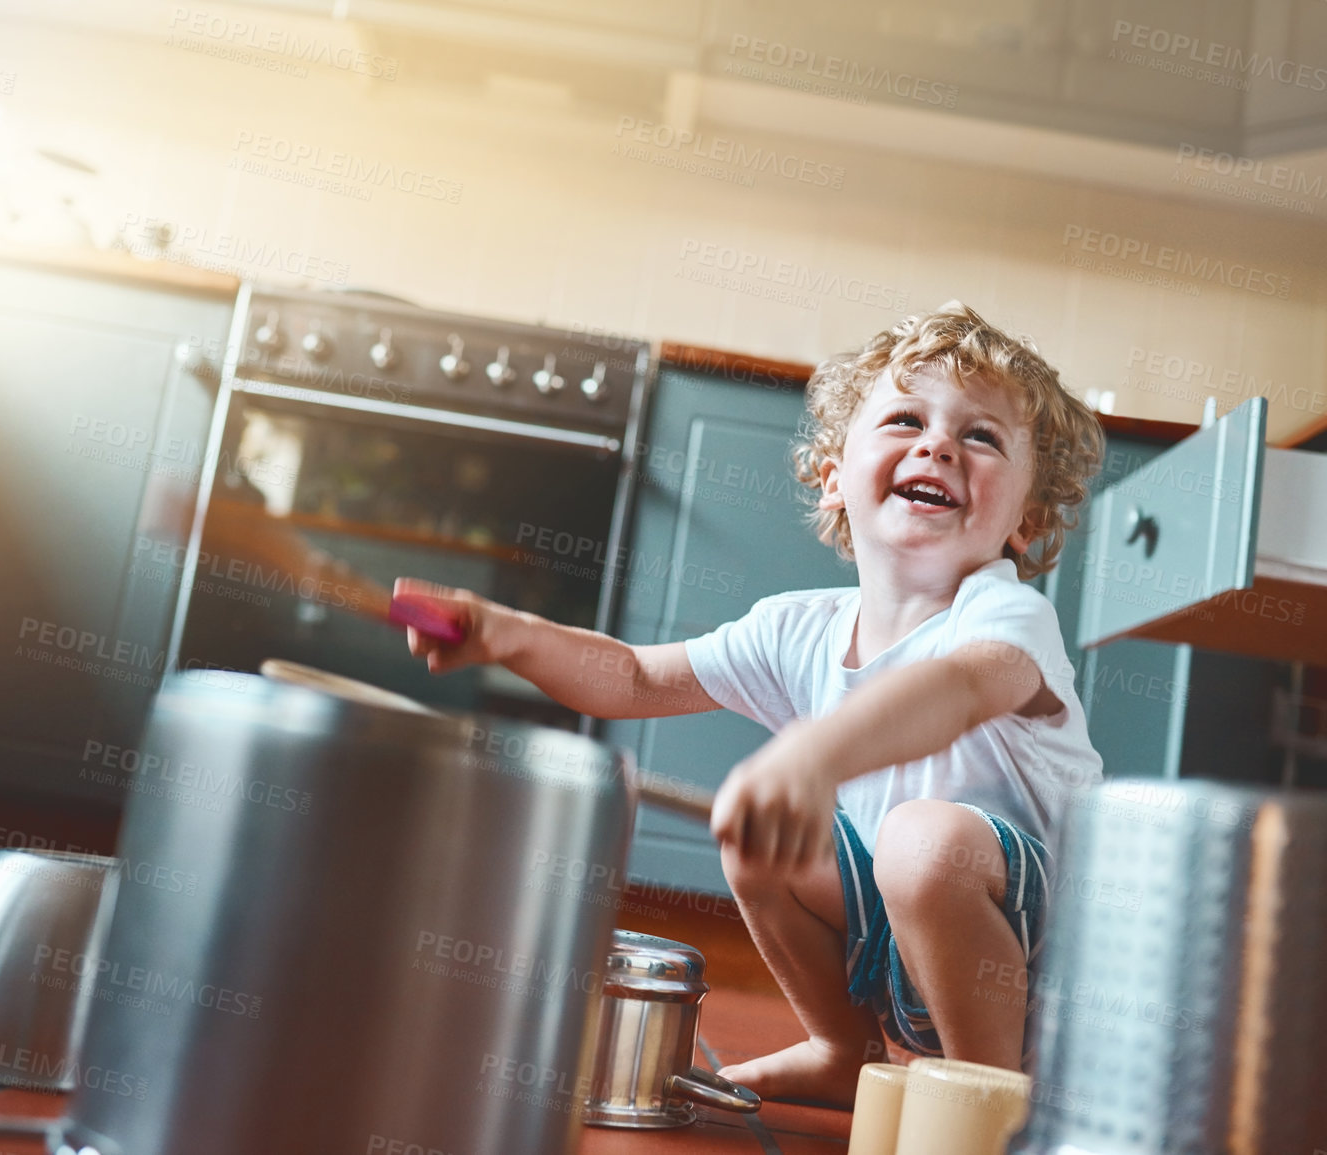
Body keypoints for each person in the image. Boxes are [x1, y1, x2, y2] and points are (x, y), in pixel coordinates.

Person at [396, 302, 1105, 1107]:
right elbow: (631, 676)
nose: (939, 443)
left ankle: (988, 1099)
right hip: (910, 949)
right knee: (773, 838)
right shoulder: (796, 628)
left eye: (981, 436)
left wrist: (812, 755)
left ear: (1028, 520)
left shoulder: (1005, 613)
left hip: (1044, 977)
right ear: (834, 475)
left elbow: (961, 687)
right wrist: (508, 634)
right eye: (906, 418)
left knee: (923, 840)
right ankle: (843, 1050)